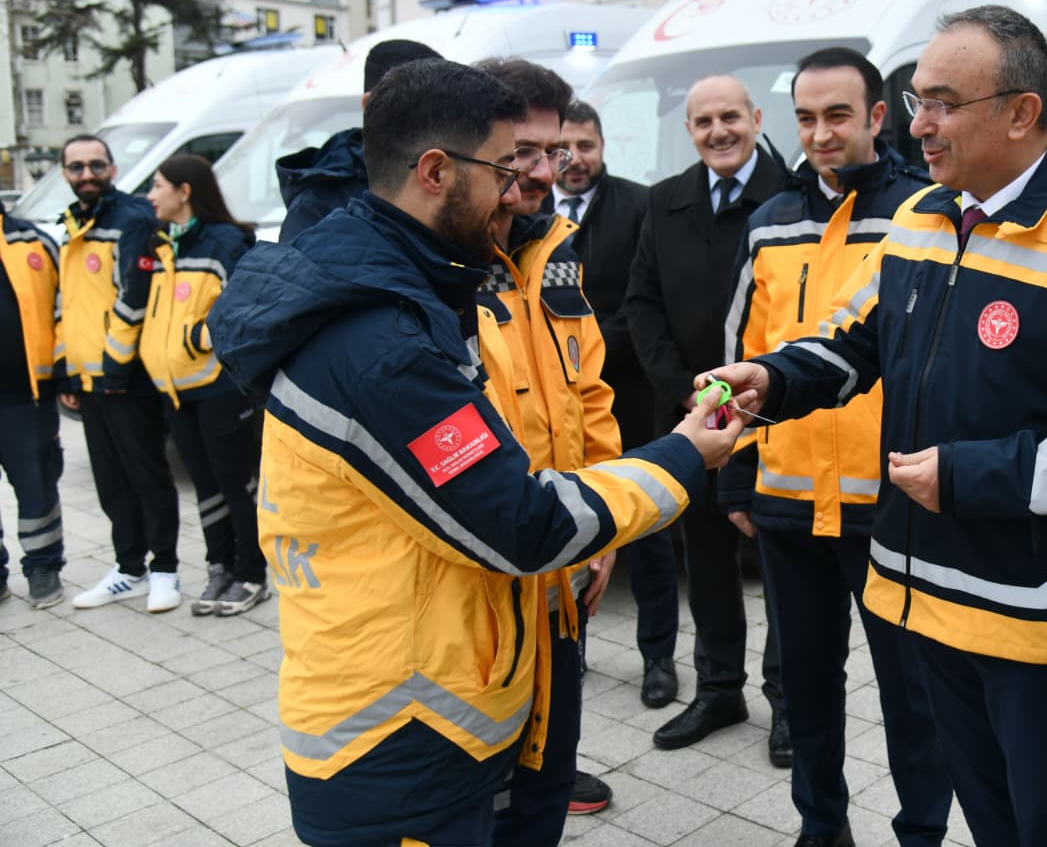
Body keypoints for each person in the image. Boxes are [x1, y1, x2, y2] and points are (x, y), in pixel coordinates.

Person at [210, 58, 751, 847]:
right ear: (435, 171)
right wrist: (683, 455)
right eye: (506, 164)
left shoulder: (420, 283)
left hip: (472, 674)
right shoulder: (382, 339)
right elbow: (521, 521)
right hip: (399, 737)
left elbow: (575, 399)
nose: (523, 184)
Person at [705, 5, 1047, 847]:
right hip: (924, 598)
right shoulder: (923, 219)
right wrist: (773, 378)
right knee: (990, 819)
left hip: (1040, 609)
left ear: (1021, 112)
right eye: (914, 100)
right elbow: (850, 341)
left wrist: (970, 475)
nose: (917, 124)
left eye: (942, 102)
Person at [722, 47, 952, 847]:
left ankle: (922, 832)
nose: (821, 133)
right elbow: (742, 350)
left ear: (878, 116)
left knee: (913, 693)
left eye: (838, 115)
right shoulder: (769, 222)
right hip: (788, 502)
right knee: (807, 688)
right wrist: (737, 478)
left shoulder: (924, 212)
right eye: (806, 118)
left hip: (889, 502)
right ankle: (821, 829)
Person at [624, 74, 790, 763]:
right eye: (703, 121)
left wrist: (762, 394)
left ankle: (788, 700)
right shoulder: (665, 201)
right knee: (708, 563)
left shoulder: (791, 198)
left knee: (781, 567)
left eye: (730, 116)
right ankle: (720, 689)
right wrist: (685, 397)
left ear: (756, 118)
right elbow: (642, 304)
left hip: (776, 416)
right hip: (696, 422)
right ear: (689, 131)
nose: (718, 131)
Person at [473, 58, 614, 834]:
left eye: (552, 152)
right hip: (479, 595)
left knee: (543, 793)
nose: (541, 172)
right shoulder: (437, 269)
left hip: (562, 581)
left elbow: (588, 395)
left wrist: (604, 528)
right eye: (521, 152)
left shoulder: (553, 248)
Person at [547, 100, 679, 710]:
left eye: (586, 146)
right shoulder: (529, 206)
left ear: (603, 146)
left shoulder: (639, 205)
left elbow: (645, 298)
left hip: (627, 391)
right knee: (567, 521)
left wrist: (586, 353)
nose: (575, 160)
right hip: (553, 400)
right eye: (564, 148)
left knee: (644, 527)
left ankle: (658, 657)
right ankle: (570, 646)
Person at [55, 134, 185, 614]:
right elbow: (70, 305)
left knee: (147, 476)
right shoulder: (73, 224)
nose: (87, 174)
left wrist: (114, 367)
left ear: (112, 169)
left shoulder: (132, 218)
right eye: (76, 167)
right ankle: (130, 569)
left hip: (127, 378)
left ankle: (165, 570)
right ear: (65, 174)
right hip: (90, 381)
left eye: (96, 165)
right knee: (111, 482)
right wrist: (69, 372)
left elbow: (134, 298)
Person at [140, 154, 268, 617]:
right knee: (206, 486)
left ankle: (252, 575)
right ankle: (220, 567)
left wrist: (196, 338)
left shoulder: (226, 242)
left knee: (236, 485)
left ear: (185, 191)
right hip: (177, 390)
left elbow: (246, 309)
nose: (151, 196)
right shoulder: (165, 243)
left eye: (158, 186)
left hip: (219, 387)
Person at [275, 38, 441, 242]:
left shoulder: (443, 175)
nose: (433, 119)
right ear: (370, 104)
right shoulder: (318, 204)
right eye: (416, 105)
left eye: (440, 107)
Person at [0, 207, 66, 608]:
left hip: (27, 397)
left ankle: (43, 567)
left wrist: (64, 372)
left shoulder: (35, 242)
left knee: (36, 484)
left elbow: (65, 309)